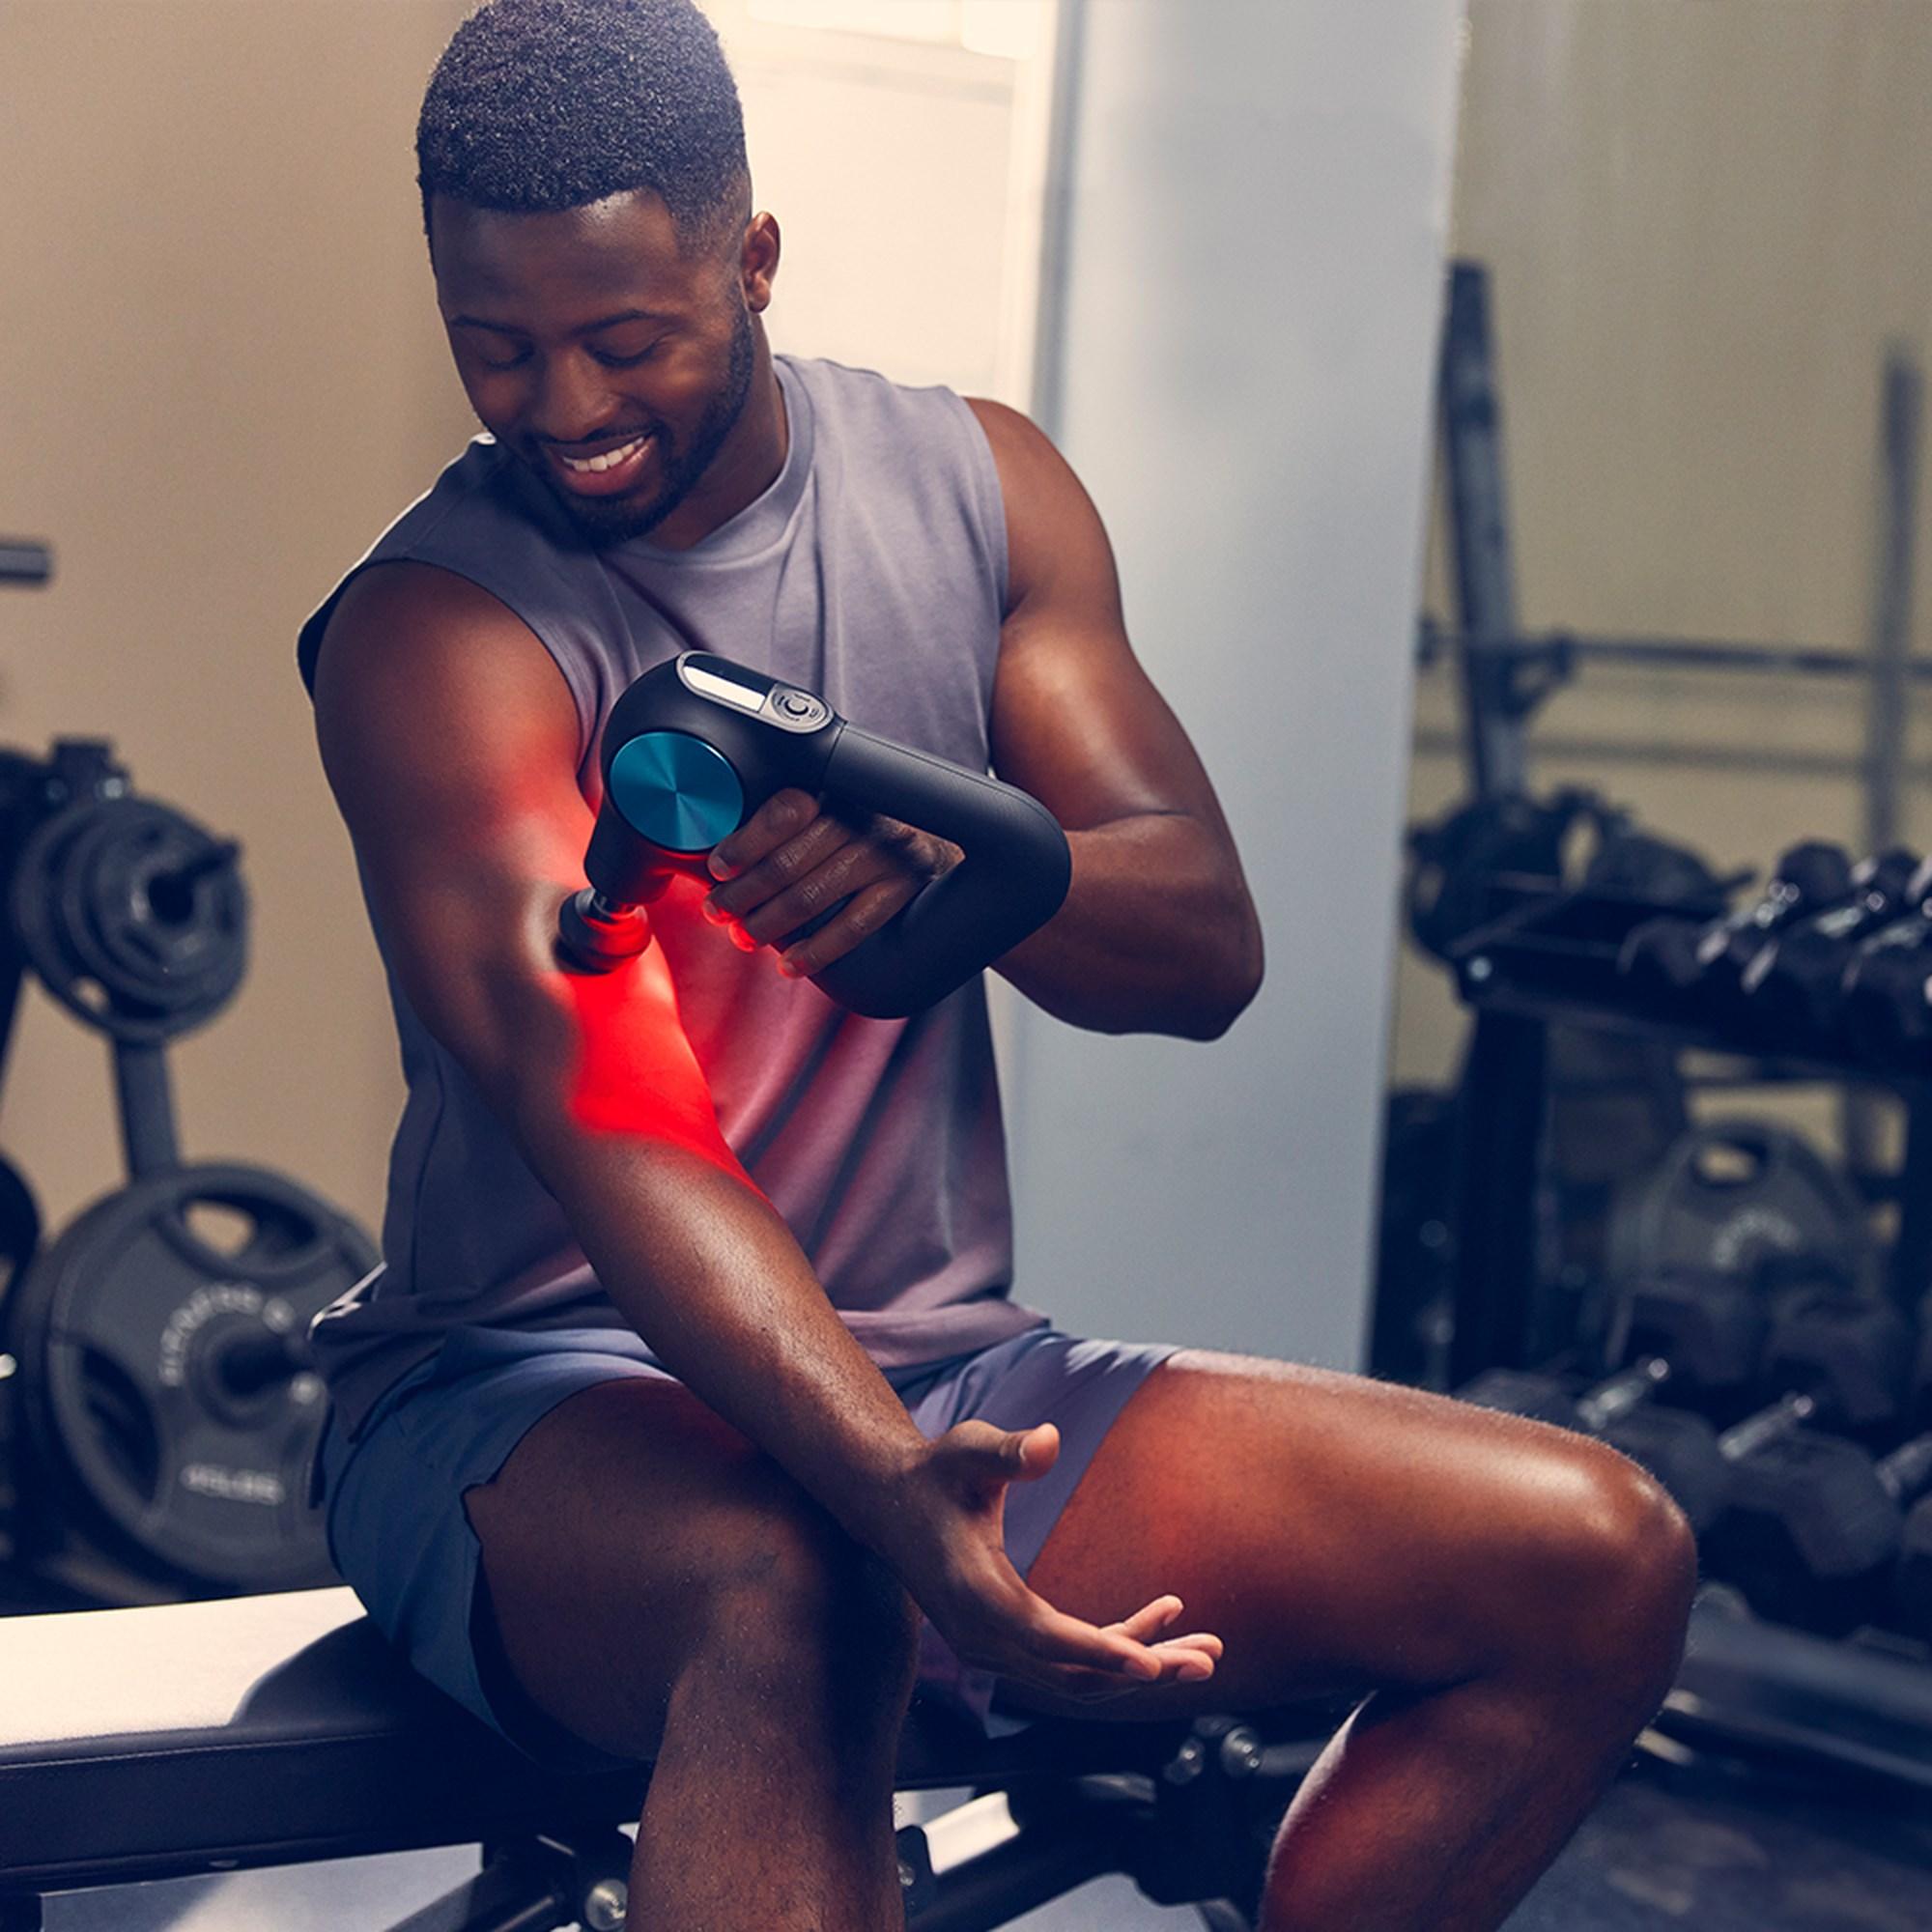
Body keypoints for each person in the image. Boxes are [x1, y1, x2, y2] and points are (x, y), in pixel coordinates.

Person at [298, 2, 1697, 1926]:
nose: (562, 405)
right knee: (801, 1587)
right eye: (497, 346)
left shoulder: (979, 487)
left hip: (947, 1371)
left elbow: (1199, 942)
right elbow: (613, 1121)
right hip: (521, 1404)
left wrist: (949, 862)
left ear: (753, 258)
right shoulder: (434, 630)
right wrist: (886, 1491)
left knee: (1597, 1555)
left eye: (625, 340)